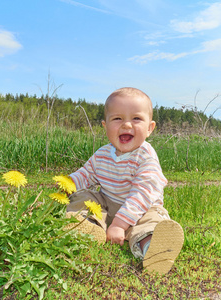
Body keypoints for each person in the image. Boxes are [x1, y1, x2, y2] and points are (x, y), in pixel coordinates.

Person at [66, 87, 184, 275]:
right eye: (118, 119)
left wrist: (120, 225)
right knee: (85, 196)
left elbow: (142, 194)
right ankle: (85, 227)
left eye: (136, 118)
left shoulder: (146, 157)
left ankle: (153, 249)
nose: (127, 125)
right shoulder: (102, 154)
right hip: (107, 204)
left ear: (149, 128)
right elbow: (86, 174)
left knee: (149, 223)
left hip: (141, 209)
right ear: (105, 127)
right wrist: (68, 185)